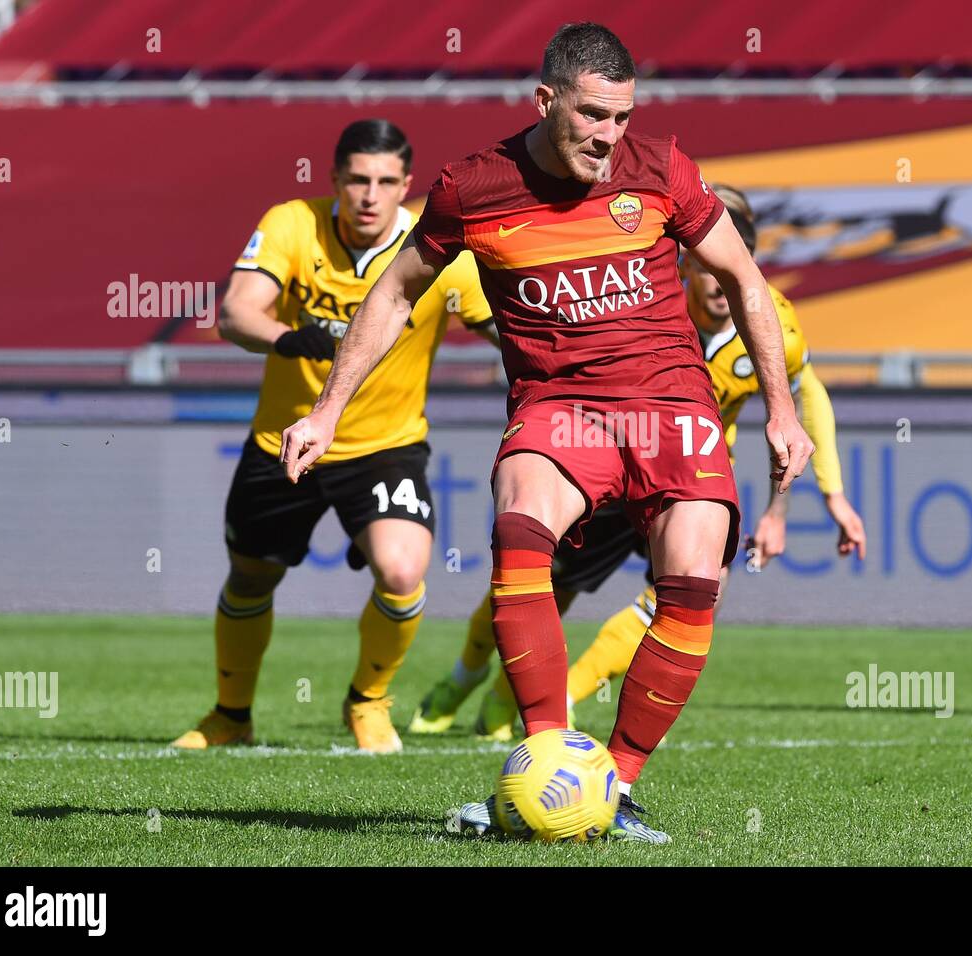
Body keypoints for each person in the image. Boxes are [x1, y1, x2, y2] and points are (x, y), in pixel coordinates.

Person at [278, 23, 813, 842]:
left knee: (695, 575)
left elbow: (743, 278)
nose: (609, 136)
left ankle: (616, 789)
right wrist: (326, 409)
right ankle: (543, 770)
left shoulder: (662, 169)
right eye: (594, 115)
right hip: (560, 404)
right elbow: (392, 296)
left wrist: (780, 408)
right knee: (520, 521)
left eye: (622, 117)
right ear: (545, 100)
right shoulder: (473, 188)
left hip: (672, 403)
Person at [409, 186, 866, 742]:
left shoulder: (775, 325)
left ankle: (565, 703)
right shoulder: (642, 294)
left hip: (684, 477)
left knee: (694, 593)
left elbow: (803, 400)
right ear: (684, 257)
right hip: (607, 459)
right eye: (704, 266)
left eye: (735, 266)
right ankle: (466, 679)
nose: (720, 283)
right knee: (549, 582)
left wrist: (802, 503)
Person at [172, 120, 492, 754]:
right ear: (335, 181)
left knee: (403, 571)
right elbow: (237, 310)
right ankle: (231, 715)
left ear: (405, 186)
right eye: (357, 180)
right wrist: (285, 337)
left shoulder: (438, 251)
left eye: (384, 182)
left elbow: (507, 329)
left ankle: (368, 701)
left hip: (385, 446)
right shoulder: (294, 223)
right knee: (250, 580)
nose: (369, 195)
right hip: (286, 442)